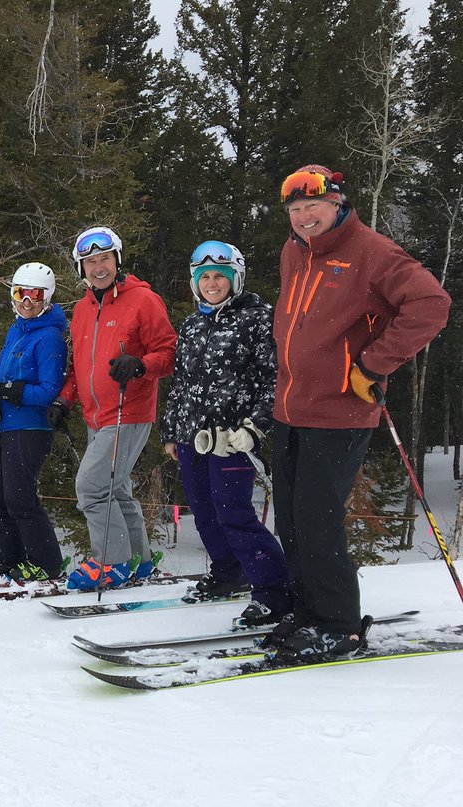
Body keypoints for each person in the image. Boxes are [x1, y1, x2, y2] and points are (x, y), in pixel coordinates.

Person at [267, 165, 449, 661]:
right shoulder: (293, 251)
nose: (304, 218)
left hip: (340, 414)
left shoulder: (373, 252)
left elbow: (431, 304)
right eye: (296, 210)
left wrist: (373, 362)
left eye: (313, 207)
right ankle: (306, 612)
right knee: (291, 519)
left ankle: (338, 625)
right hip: (289, 410)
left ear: (338, 204)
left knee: (317, 521)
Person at [160, 241, 289, 622]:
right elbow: (181, 381)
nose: (212, 284)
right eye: (205, 277)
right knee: (203, 512)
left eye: (220, 276)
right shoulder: (192, 323)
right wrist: (172, 431)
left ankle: (275, 590)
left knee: (233, 512)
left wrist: (255, 426)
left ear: (236, 278)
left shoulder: (257, 317)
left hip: (233, 439)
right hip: (191, 436)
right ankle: (228, 572)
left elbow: (275, 377)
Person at [53, 226, 177, 591]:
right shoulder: (81, 309)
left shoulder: (143, 300)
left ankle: (112, 562)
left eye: (104, 259)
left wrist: (140, 365)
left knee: (91, 487)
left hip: (129, 411)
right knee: (116, 489)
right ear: (81, 269)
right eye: (90, 262)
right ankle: (137, 560)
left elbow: (169, 354)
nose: (98, 267)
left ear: (117, 260)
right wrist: (65, 399)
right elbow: (79, 365)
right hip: (96, 417)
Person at [0, 262, 69, 582]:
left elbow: (49, 391)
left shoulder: (50, 336)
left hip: (30, 428)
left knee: (19, 497)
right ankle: (9, 556)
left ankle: (46, 562)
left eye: (35, 295)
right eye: (20, 294)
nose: (27, 302)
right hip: (3, 426)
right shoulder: (17, 329)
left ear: (47, 299)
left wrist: (8, 391)